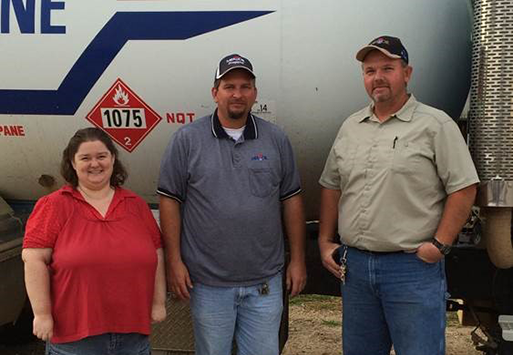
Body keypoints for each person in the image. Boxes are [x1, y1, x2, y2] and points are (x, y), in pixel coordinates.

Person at [318, 36, 479, 355]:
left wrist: (439, 245)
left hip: (411, 269)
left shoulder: (435, 125)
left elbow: (463, 187)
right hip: (357, 269)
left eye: (387, 68)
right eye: (370, 70)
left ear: (407, 73)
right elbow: (331, 184)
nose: (377, 77)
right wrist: (324, 240)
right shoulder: (352, 126)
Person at [157, 53, 307, 355]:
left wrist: (298, 259)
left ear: (255, 93)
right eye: (229, 86)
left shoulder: (276, 139)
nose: (237, 94)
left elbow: (291, 199)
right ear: (215, 93)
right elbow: (169, 201)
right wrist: (174, 262)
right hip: (209, 283)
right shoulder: (186, 140)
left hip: (264, 282)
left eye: (245, 86)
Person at [22, 127, 166, 355]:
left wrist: (158, 302)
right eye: (85, 158)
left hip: (132, 336)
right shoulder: (54, 205)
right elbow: (33, 259)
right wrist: (42, 314)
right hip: (75, 339)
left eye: (101, 156)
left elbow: (156, 253)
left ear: (113, 158)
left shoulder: (136, 204)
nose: (95, 164)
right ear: (72, 163)